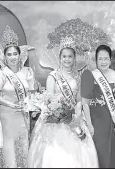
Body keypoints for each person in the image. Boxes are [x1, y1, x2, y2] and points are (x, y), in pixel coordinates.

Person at [28, 36, 98, 168]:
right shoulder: (53, 76)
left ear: (74, 58)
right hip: (55, 121)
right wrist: (59, 115)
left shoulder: (77, 76)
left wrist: (77, 116)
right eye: (64, 56)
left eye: (70, 56)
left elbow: (78, 100)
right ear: (60, 58)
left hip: (74, 119)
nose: (67, 59)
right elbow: (49, 100)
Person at [0, 25, 35, 168]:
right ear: (4, 57)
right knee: (10, 149)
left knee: (23, 147)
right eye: (9, 54)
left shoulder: (27, 72)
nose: (12, 57)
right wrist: (11, 105)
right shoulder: (1, 74)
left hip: (23, 116)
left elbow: (31, 94)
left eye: (15, 54)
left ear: (20, 55)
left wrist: (30, 105)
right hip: (7, 115)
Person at [81, 45, 115, 168]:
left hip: (112, 121)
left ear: (110, 60)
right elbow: (85, 103)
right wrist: (89, 125)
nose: (103, 62)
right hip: (97, 122)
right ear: (96, 60)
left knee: (112, 152)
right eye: (100, 59)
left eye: (106, 59)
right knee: (100, 153)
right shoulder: (90, 75)